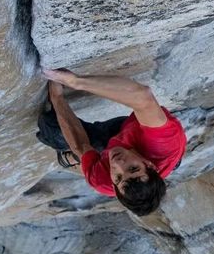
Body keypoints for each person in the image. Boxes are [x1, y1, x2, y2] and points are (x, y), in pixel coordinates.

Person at [36, 68, 186, 216]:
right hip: (134, 134)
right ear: (149, 164)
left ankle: (75, 160)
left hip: (123, 144)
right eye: (133, 168)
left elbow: (80, 146)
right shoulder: (162, 143)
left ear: (114, 188)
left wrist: (57, 97)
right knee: (104, 145)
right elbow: (143, 97)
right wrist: (75, 81)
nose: (118, 164)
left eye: (118, 177)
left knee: (52, 129)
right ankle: (79, 159)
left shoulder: (103, 181)